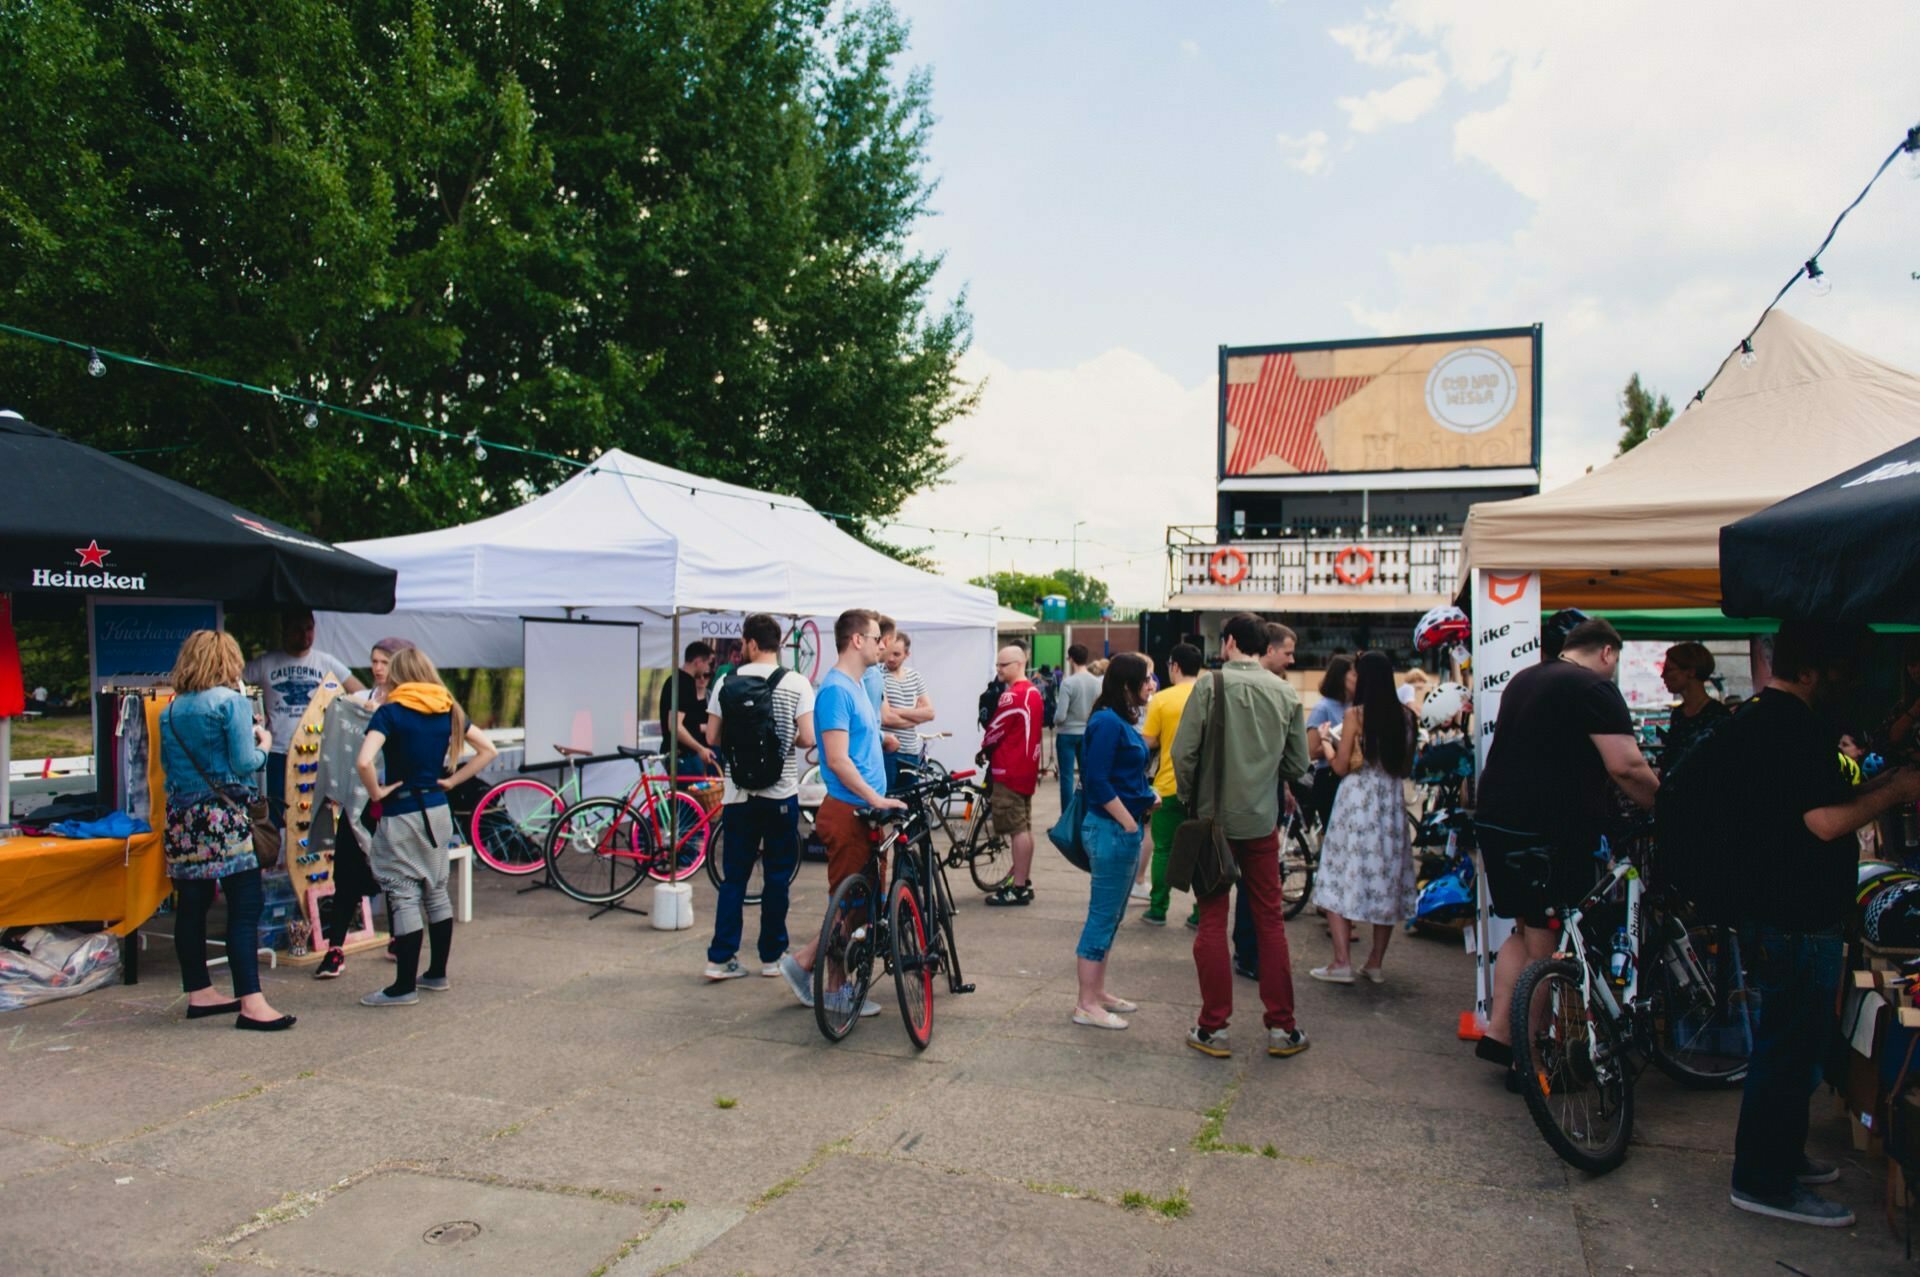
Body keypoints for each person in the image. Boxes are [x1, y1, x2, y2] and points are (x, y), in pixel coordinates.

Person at [1719, 622, 1920, 1227]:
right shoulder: (1789, 726)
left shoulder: (1770, 718)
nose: (1849, 683)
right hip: (1793, 917)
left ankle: (1778, 1157)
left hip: (1787, 912)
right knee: (1787, 1051)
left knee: (1793, 1048)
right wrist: (1896, 791)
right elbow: (1824, 823)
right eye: (1839, 671)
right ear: (1812, 671)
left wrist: (1883, 781)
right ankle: (1764, 1180)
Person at [1473, 618, 1659, 1069]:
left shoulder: (1526, 678)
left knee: (1523, 927)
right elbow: (1626, 767)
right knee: (1546, 945)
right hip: (1547, 831)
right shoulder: (1592, 688)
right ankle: (1529, 1059)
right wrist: (1667, 806)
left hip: (1497, 821)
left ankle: (1500, 1033)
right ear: (1608, 653)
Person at [1171, 612, 1310, 1060]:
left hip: (1214, 823)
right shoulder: (1286, 693)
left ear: (1229, 642)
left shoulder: (1209, 687)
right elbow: (1296, 767)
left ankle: (1214, 1028)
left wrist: (1193, 800)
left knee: (1211, 918)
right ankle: (1282, 1027)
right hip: (1260, 822)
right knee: (1269, 920)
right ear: (1261, 645)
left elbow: (1183, 753)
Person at [159, 631, 295, 1031]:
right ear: (227, 661)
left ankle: (199, 992)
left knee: (193, 906)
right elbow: (243, 762)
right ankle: (252, 1003)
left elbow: (170, 769)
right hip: (226, 818)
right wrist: (264, 743)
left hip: (183, 820)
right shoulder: (230, 702)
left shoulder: (171, 709)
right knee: (245, 906)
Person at [777, 610, 905, 1013]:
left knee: (856, 904)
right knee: (848, 904)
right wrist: (876, 797)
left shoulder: (853, 687)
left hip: (862, 811)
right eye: (874, 637)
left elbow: (855, 747)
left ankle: (811, 969)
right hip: (849, 810)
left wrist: (881, 743)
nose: (880, 644)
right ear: (856, 640)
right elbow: (836, 759)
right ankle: (831, 987)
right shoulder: (835, 690)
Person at [354, 647, 497, 1006]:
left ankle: (403, 987)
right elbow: (488, 750)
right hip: (437, 810)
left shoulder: (390, 713)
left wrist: (377, 792)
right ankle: (436, 974)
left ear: (399, 674)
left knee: (402, 892)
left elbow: (364, 761)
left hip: (401, 812)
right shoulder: (448, 708)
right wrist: (452, 781)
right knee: (436, 889)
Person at [702, 614, 815, 982]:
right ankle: (771, 957)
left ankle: (721, 958)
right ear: (778, 643)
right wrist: (783, 742)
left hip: (738, 796)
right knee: (777, 877)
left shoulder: (725, 683)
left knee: (734, 878)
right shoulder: (797, 682)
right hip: (781, 793)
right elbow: (809, 738)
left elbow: (713, 739)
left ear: (749, 642)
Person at [1309, 650, 1417, 983]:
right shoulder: (1407, 717)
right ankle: (1375, 963)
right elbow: (1406, 766)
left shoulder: (1357, 715)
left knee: (1339, 874)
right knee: (1385, 878)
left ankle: (1341, 962)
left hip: (1356, 803)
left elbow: (1340, 767)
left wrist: (1327, 742)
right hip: (1390, 805)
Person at [312, 636, 413, 979]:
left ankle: (400, 938)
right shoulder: (358, 700)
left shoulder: (408, 705)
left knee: (397, 875)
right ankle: (335, 949)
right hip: (358, 804)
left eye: (385, 662)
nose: (378, 668)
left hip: (392, 803)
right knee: (346, 879)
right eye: (374, 661)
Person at [1073, 653, 1155, 1030]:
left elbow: (1117, 776)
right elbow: (1098, 781)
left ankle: (1097, 993)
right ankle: (1086, 1003)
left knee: (1111, 917)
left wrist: (1144, 796)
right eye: (1148, 678)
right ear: (1128, 684)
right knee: (1102, 917)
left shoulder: (1114, 719)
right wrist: (1128, 823)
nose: (1152, 685)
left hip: (1117, 827)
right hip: (1111, 830)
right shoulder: (1108, 721)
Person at [243, 609, 363, 829]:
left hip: (316, 749)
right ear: (285, 630)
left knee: (314, 814)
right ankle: (279, 860)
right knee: (278, 813)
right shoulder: (266, 663)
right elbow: (236, 683)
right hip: (279, 751)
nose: (305, 635)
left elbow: (360, 694)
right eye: (298, 629)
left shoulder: (326, 662)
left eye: (309, 628)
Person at [1139, 642, 1201, 926]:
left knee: (1163, 847)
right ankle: (1202, 913)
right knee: (1202, 850)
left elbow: (1149, 740)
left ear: (1175, 666)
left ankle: (1158, 908)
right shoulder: (1210, 695)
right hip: (1203, 789)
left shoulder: (1162, 700)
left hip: (1168, 784)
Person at [980, 643, 1045, 906]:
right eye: (997, 664)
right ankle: (1023, 880)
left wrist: (984, 748)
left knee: (1016, 829)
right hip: (1027, 769)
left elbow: (995, 729)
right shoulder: (1034, 693)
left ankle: (1017, 887)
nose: (998, 669)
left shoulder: (1012, 695)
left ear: (1018, 664)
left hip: (1008, 769)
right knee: (1025, 828)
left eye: (1003, 665)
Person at [1306, 657, 1356, 832]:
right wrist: (1340, 743)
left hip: (1351, 776)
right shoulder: (1323, 708)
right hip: (1329, 776)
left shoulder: (1356, 706)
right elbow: (1312, 750)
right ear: (1342, 677)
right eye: (1354, 674)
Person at [1660, 642, 1728, 767]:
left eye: (1668, 670)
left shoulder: (1717, 715)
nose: (1662, 675)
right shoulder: (1678, 714)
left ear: (1690, 672)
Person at [882, 630, 934, 790]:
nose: (891, 658)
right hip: (888, 751)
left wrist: (896, 711)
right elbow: (886, 719)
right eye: (888, 653)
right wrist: (916, 716)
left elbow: (930, 713)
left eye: (897, 654)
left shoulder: (915, 676)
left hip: (911, 751)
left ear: (907, 654)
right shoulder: (878, 675)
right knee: (888, 799)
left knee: (909, 803)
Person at [660, 641, 718, 777]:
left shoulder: (677, 680)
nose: (707, 670)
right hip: (683, 756)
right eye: (708, 664)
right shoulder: (683, 683)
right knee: (689, 797)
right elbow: (675, 726)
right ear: (698, 662)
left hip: (684, 754)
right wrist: (700, 749)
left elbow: (687, 723)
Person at [1054, 644, 1100, 808]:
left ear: (1071, 659)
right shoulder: (1096, 683)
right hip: (1086, 733)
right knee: (1085, 776)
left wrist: (1054, 720)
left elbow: (1060, 716)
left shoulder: (1068, 683)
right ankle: (1086, 813)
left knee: (1066, 778)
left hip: (1067, 733)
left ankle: (1066, 819)